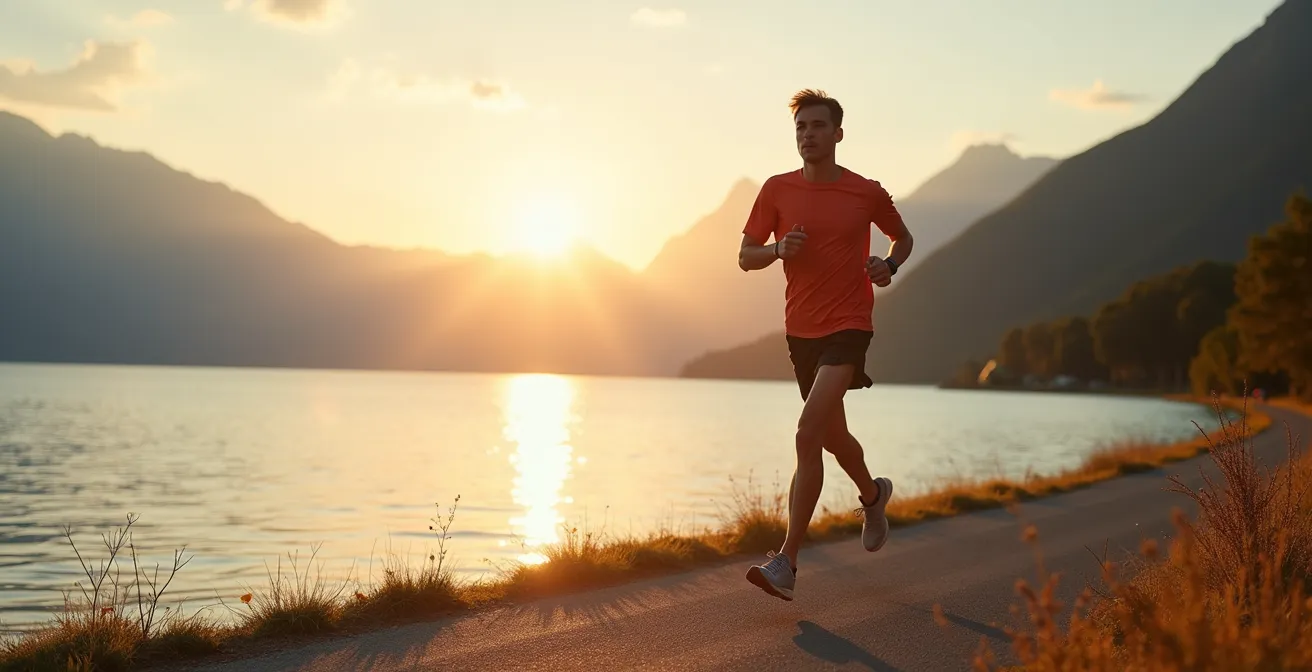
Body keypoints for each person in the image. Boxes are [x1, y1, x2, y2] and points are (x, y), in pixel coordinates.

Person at [736, 89, 913, 601]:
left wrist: (888, 265)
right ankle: (873, 495)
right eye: (800, 127)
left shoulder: (866, 192)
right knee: (833, 435)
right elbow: (745, 256)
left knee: (807, 431)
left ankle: (786, 562)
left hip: (850, 325)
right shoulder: (776, 189)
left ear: (837, 133)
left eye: (817, 126)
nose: (807, 134)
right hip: (801, 333)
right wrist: (777, 250)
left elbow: (902, 238)